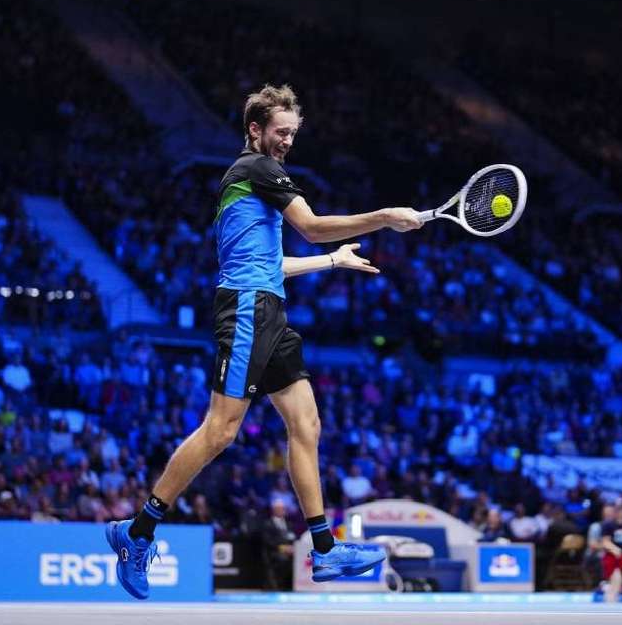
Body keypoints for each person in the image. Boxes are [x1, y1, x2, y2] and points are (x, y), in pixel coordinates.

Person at [106, 85, 424, 599]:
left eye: (293, 134)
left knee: (307, 422)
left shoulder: (250, 187)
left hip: (268, 308)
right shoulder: (256, 169)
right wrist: (386, 217)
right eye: (280, 132)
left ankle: (324, 550)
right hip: (248, 313)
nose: (287, 142)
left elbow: (269, 264)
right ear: (255, 130)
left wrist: (332, 261)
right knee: (221, 431)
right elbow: (314, 227)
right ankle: (137, 532)